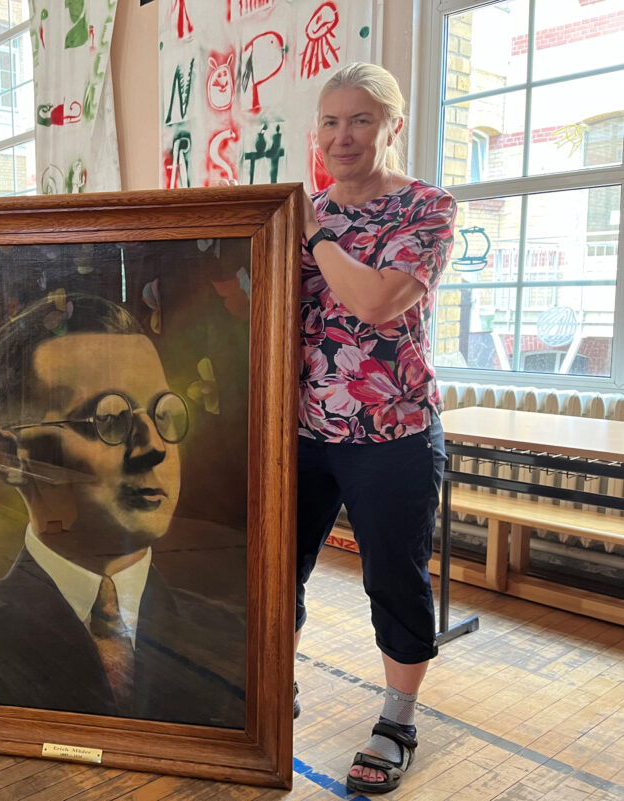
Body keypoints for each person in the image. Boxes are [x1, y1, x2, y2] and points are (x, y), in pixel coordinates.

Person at [0, 293, 246, 728]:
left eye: (163, 414)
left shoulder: (231, 635)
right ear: (5, 455)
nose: (153, 447)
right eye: (108, 419)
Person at [297, 63, 456, 794]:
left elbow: (375, 304)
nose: (343, 136)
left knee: (391, 576)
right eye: (330, 121)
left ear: (393, 125)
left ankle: (397, 719)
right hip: (301, 430)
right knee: (272, 569)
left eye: (360, 120)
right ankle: (269, 688)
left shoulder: (426, 209)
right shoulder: (299, 212)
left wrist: (316, 235)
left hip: (392, 431)